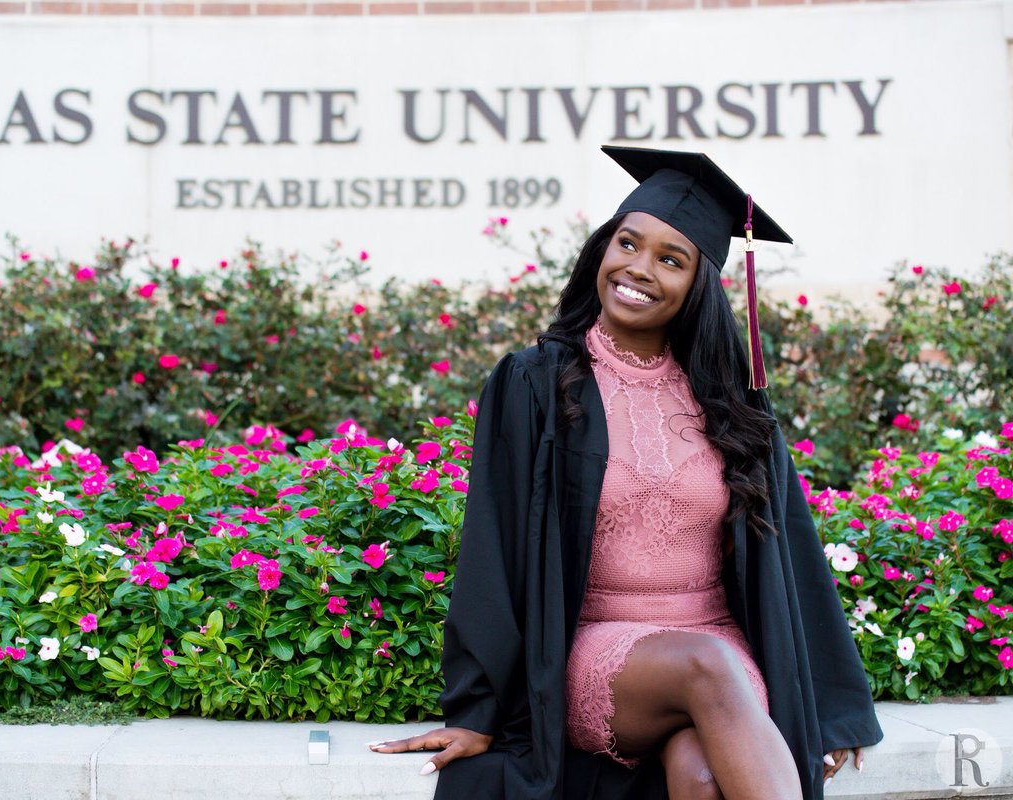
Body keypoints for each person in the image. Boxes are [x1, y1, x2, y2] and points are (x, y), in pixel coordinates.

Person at [368, 146, 883, 800]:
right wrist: (478, 714)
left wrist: (832, 711)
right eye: (627, 243)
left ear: (698, 282)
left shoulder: (731, 399)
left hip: (718, 645)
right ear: (601, 252)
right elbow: (490, 549)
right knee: (709, 669)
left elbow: (791, 549)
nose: (638, 269)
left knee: (699, 772)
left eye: (671, 259)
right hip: (600, 652)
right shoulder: (537, 384)